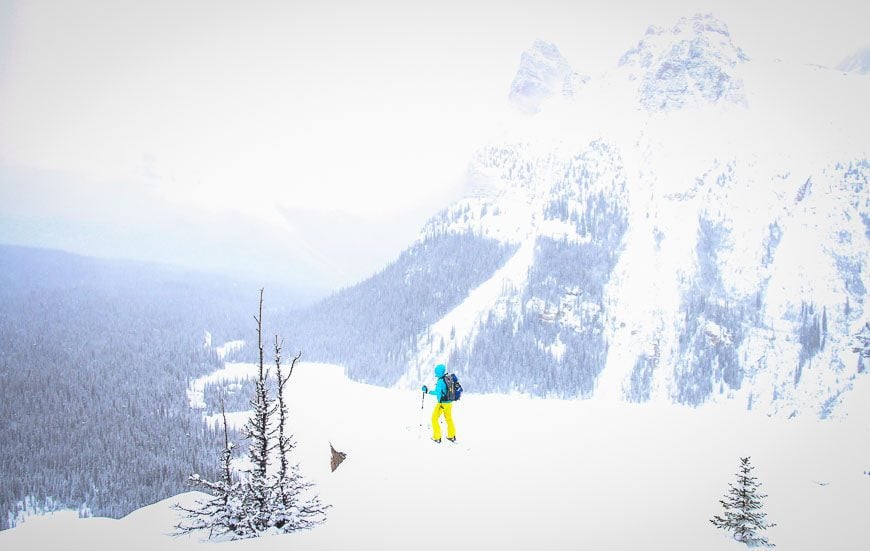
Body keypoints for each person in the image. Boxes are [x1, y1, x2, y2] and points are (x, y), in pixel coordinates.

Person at [421, 363, 456, 443]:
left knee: (434, 418)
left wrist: (427, 391)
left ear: (438, 372)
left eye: (436, 371)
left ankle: (437, 437)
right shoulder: (448, 378)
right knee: (449, 419)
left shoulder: (440, 381)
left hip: (442, 403)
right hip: (449, 403)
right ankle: (452, 435)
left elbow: (437, 392)